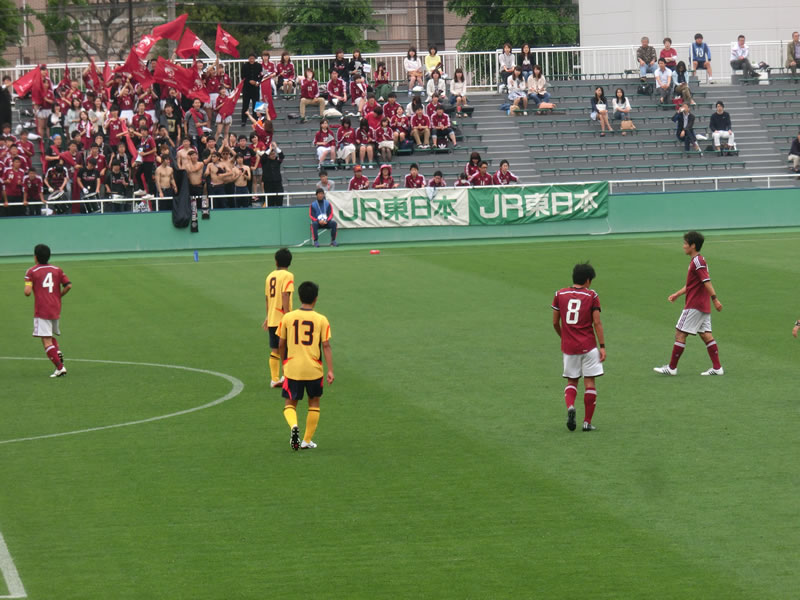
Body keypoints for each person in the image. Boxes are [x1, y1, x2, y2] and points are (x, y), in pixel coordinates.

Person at [654, 231, 723, 376]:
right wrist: (677, 294)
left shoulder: (698, 262)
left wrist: (715, 299)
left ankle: (672, 368)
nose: (683, 246)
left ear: (693, 246)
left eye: (685, 243)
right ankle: (717, 368)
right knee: (706, 335)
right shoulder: (697, 261)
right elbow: (692, 285)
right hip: (702, 305)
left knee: (680, 333)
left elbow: (707, 281)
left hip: (695, 305)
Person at [279, 280, 334, 451]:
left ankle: (294, 426)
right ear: (316, 298)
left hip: (293, 367)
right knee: (314, 402)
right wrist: (330, 370)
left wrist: (284, 363)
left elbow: (281, 344)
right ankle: (306, 441)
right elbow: (326, 345)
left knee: (290, 403)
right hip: (313, 369)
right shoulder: (321, 319)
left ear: (299, 297)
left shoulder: (288, 318)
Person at [552, 262, 605, 432]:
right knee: (590, 381)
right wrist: (602, 346)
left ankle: (570, 407)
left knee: (572, 380)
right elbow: (597, 322)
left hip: (569, 347)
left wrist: (564, 337)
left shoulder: (560, 294)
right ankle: (587, 422)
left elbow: (555, 322)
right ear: (588, 280)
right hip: (588, 346)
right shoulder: (592, 295)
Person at [24, 244, 71, 377]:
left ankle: (60, 368)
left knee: (46, 340)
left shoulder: (31, 271)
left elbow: (27, 292)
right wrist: (59, 296)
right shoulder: (57, 270)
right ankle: (57, 352)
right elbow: (68, 285)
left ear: (35, 257)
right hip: (55, 308)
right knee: (48, 335)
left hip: (42, 309)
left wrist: (28, 285)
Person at [262, 247, 294, 388]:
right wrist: (287, 316)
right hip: (282, 318)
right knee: (286, 348)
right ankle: (286, 376)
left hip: (272, 318)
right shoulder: (288, 276)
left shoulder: (269, 276)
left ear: (276, 262)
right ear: (290, 262)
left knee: (275, 349)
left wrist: (267, 317)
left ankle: (274, 379)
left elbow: (267, 299)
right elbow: (285, 294)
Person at [259, 142, 285, 207]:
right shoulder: (264, 162)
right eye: (272, 154)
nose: (274, 155)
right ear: (268, 155)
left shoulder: (277, 161)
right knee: (270, 201)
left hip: (278, 184)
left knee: (279, 199)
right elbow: (263, 157)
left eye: (274, 154)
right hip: (268, 184)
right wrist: (270, 149)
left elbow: (282, 156)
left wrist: (276, 148)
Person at [241, 53, 262, 127]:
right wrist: (249, 81)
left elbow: (261, 76)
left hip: (255, 87)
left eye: (253, 58)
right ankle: (244, 120)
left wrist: (257, 82)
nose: (251, 60)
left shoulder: (259, 66)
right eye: (250, 58)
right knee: (245, 104)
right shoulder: (244, 66)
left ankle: (256, 119)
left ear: (255, 59)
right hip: (247, 87)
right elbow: (242, 76)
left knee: (256, 104)